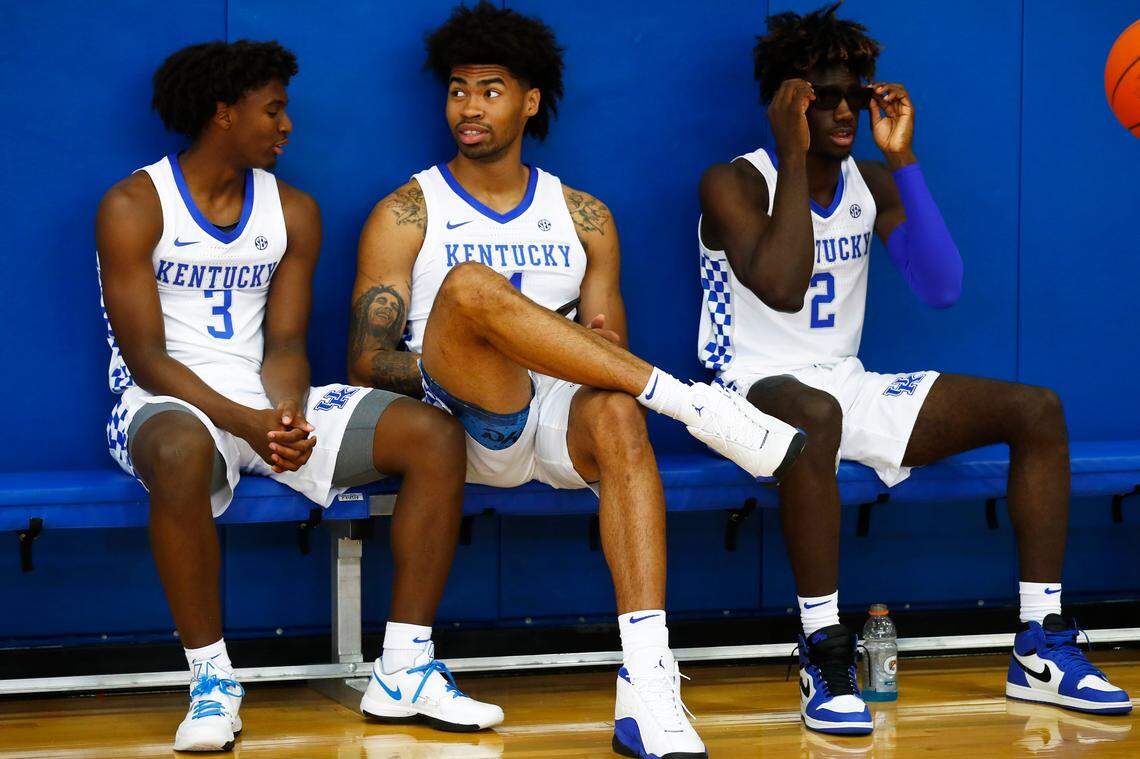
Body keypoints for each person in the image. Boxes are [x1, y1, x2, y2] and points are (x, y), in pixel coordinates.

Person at [348, 4, 805, 756]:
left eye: (490, 90)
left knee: (621, 416)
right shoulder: (408, 209)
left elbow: (606, 346)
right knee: (468, 288)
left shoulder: (584, 215)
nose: (468, 106)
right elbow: (366, 359)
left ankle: (649, 686)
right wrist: (481, 346)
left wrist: (574, 346)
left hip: (557, 421)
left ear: (530, 100)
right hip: (461, 418)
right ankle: (694, 404)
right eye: (458, 89)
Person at [697, 2, 1131, 736]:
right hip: (742, 389)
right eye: (820, 96)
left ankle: (1039, 643)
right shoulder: (733, 182)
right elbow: (781, 285)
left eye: (853, 95)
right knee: (814, 414)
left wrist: (902, 158)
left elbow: (942, 286)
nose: (842, 110)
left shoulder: (872, 179)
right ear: (783, 104)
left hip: (843, 383)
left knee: (1037, 409)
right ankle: (821, 649)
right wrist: (794, 153)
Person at [96, 40, 500, 752]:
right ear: (223, 113)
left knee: (433, 435)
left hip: (264, 402)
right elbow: (147, 358)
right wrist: (247, 422)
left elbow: (285, 344)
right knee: (182, 451)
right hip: (166, 404)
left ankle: (404, 665)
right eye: (273, 110)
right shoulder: (134, 204)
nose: (287, 125)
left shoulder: (293, 210)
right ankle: (212, 679)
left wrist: (282, 413)